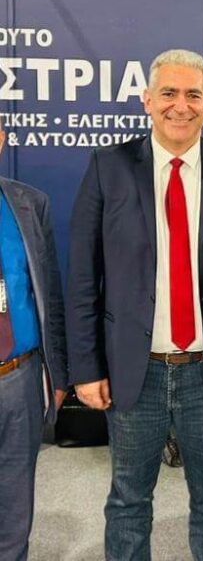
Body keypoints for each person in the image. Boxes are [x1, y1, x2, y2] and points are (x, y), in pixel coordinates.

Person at [66, 49, 203, 561]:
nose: (180, 105)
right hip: (135, 370)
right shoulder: (108, 168)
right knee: (129, 500)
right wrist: (86, 368)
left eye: (193, 95)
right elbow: (83, 277)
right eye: (169, 93)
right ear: (147, 101)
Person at [0, 125, 67, 560]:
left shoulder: (29, 203)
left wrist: (57, 372)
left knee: (14, 502)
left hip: (18, 378)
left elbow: (49, 293)